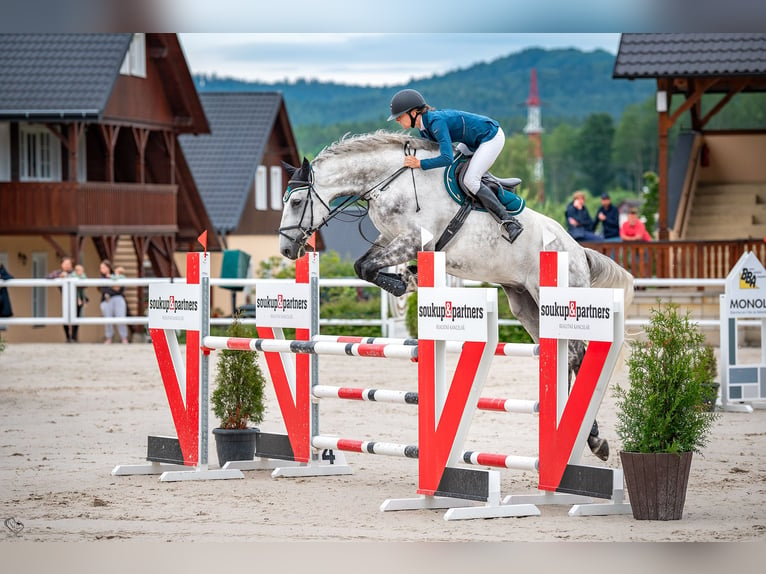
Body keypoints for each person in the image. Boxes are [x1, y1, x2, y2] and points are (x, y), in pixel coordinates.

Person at [387, 88, 523, 243]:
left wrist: (419, 163)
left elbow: (446, 158)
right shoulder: (425, 129)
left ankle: (510, 222)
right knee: (453, 172)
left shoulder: (435, 122)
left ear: (413, 113)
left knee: (470, 180)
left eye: (399, 116)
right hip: (471, 142)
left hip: (490, 137)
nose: (397, 120)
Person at [47, 256, 77, 342]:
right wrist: (59, 276)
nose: (67, 265)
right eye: (65, 263)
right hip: (65, 298)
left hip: (76, 298)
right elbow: (48, 277)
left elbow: (82, 280)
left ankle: (74, 337)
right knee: (66, 316)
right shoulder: (58, 273)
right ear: (62, 264)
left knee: (76, 316)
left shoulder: (75, 273)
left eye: (69, 264)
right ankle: (68, 337)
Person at [99, 259, 129, 344]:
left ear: (108, 267)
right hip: (106, 300)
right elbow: (104, 290)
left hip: (118, 299)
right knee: (107, 319)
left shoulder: (116, 275)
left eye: (104, 267)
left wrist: (112, 288)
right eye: (101, 267)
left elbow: (120, 289)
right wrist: (114, 288)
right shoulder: (101, 278)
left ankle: (124, 338)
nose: (102, 269)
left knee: (121, 317)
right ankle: (109, 337)